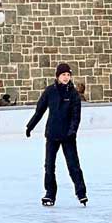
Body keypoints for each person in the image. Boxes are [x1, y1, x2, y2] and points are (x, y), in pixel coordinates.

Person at [25, 62, 87, 207]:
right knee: (49, 166)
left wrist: (72, 132)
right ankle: (50, 194)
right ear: (58, 76)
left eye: (68, 75)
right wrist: (30, 126)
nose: (66, 77)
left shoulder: (73, 94)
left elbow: (76, 116)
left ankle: (81, 193)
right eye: (63, 75)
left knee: (73, 165)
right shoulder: (50, 91)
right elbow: (39, 110)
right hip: (52, 134)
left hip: (68, 136)